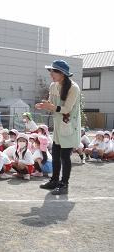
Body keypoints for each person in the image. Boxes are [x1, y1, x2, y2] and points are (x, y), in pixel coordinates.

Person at [36, 60, 82, 195]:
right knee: (55, 154)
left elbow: (67, 108)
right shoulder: (53, 86)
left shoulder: (74, 88)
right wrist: (44, 105)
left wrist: (51, 107)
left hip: (68, 125)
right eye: (50, 71)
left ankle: (64, 184)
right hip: (58, 125)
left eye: (53, 71)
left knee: (65, 157)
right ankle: (54, 180)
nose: (51, 74)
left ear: (62, 73)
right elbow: (51, 103)